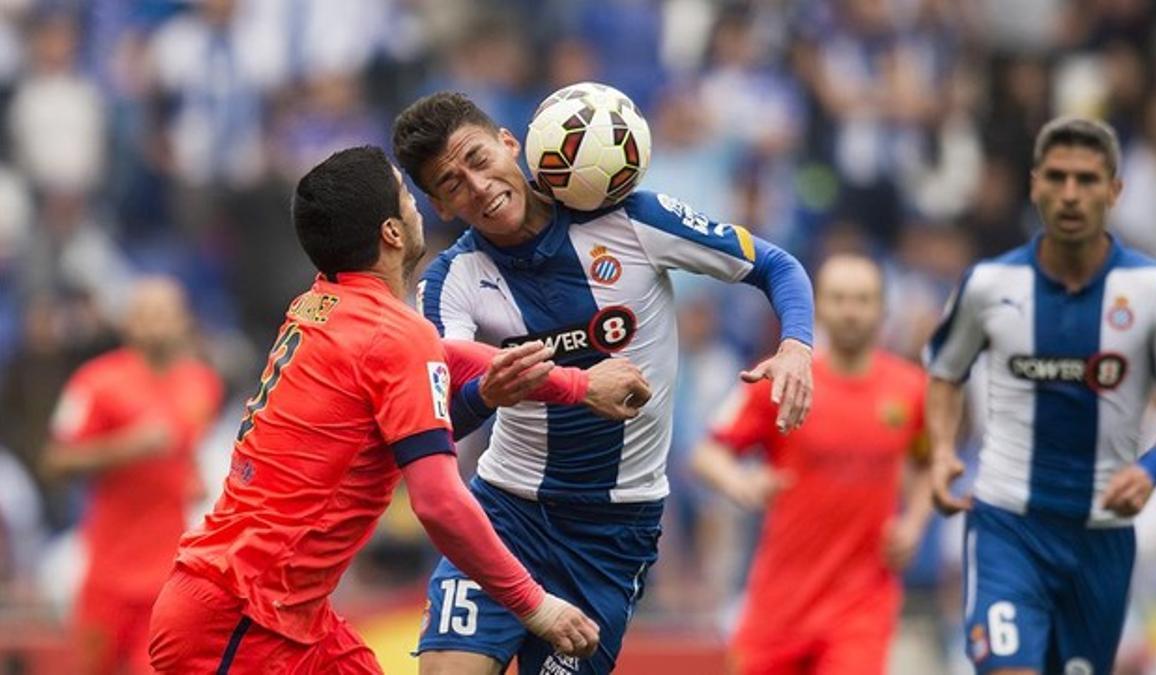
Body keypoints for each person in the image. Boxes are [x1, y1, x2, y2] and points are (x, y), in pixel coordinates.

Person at [147, 146, 650, 673]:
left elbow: (441, 354)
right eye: (408, 198)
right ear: (391, 232)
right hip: (240, 620)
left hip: (282, 614)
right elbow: (437, 503)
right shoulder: (392, 335)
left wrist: (575, 384)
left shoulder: (320, 305)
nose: (418, 208)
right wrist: (535, 604)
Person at [392, 91, 816, 675]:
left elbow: (775, 265)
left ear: (510, 143)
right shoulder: (452, 281)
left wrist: (794, 345)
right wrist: (490, 393)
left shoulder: (635, 220)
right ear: (439, 206)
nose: (479, 185)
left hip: (612, 531)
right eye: (451, 182)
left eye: (477, 158)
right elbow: (442, 418)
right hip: (505, 512)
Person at [925, 117, 1156, 675]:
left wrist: (1151, 470)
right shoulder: (988, 286)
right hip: (1008, 525)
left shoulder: (1155, 290)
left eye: (1087, 179)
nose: (1071, 194)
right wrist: (940, 451)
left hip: (1100, 538)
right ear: (1034, 185)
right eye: (1057, 177)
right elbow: (945, 373)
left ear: (1114, 191)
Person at [692, 254, 932, 675]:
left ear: (882, 309)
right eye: (839, 299)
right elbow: (707, 454)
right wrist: (740, 482)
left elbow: (931, 461)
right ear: (819, 306)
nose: (851, 311)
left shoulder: (911, 391)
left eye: (862, 300)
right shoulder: (785, 379)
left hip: (861, 607)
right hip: (780, 603)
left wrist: (914, 523)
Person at [44, 277, 224, 675]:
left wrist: (193, 478)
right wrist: (127, 447)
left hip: (168, 573)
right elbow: (56, 460)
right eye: (147, 313)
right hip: (108, 571)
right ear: (129, 322)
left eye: (166, 312)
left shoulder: (201, 384)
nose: (157, 323)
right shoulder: (95, 383)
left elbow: (189, 451)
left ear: (183, 321)